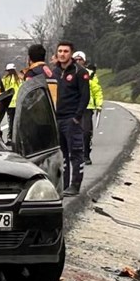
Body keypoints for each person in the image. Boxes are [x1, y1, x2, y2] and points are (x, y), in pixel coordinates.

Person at [53, 41, 91, 197]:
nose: (62, 54)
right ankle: (64, 185)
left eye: (66, 51)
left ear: (71, 53)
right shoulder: (54, 72)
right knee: (61, 154)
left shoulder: (79, 71)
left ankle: (75, 184)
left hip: (71, 119)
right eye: (60, 51)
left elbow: (85, 96)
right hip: (57, 118)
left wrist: (77, 117)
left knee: (75, 153)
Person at [74, 52, 103, 165]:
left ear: (84, 61)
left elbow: (97, 91)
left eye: (80, 59)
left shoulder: (90, 75)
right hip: (73, 107)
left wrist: (99, 104)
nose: (78, 62)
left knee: (86, 132)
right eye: (75, 59)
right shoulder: (68, 74)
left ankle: (86, 154)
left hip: (87, 108)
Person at [1, 63, 22, 140]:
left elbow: (3, 91)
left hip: (9, 103)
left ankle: (10, 137)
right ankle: (16, 137)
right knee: (17, 121)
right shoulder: (19, 79)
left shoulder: (5, 79)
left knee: (11, 121)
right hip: (17, 102)